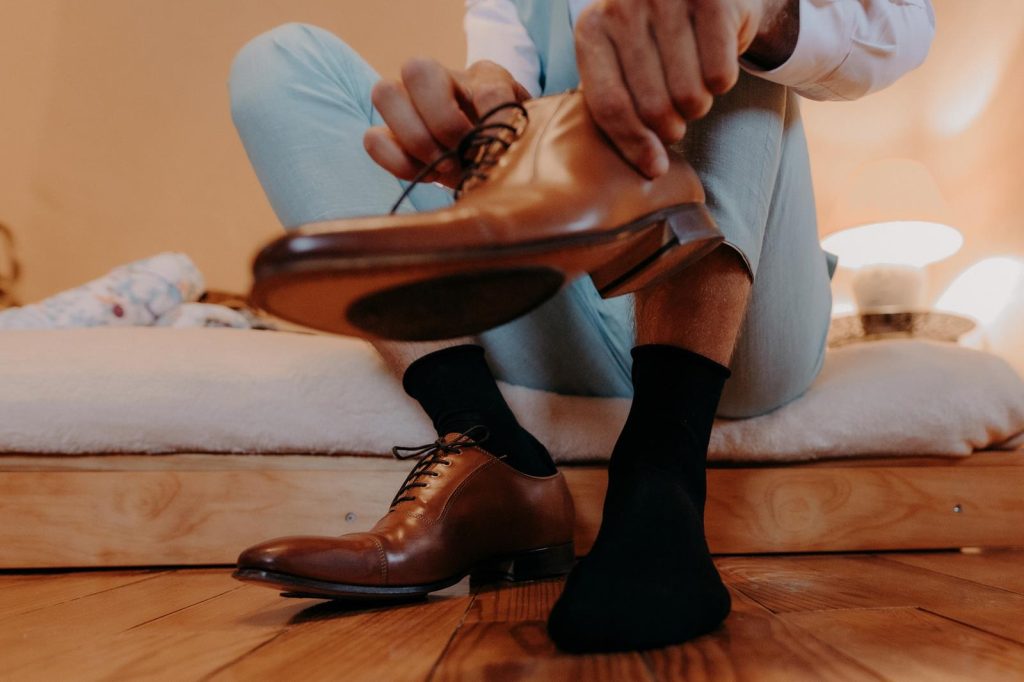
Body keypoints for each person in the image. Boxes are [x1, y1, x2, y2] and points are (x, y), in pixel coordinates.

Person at [228, 0, 935, 652]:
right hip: (571, 284)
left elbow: (907, 21)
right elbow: (506, 68)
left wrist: (757, 12)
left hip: (739, 322)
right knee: (279, 60)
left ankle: (661, 475)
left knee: (695, 13)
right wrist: (483, 111)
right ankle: (492, 449)